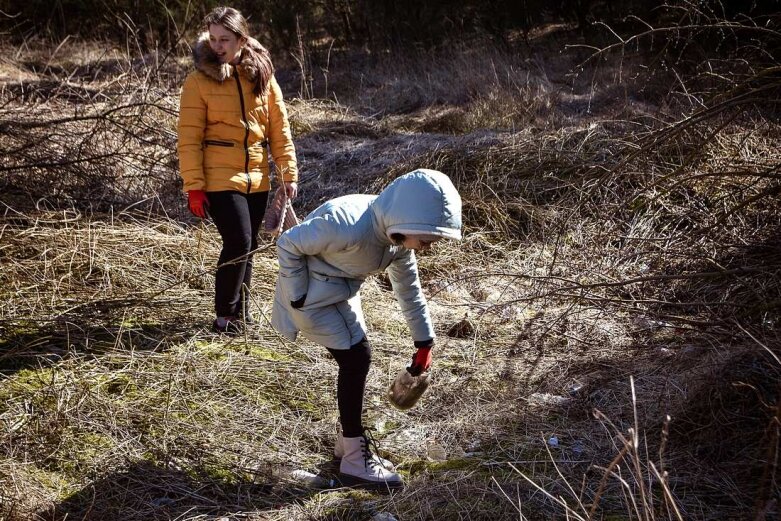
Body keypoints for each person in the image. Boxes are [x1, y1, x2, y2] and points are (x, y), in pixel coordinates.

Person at [271, 169, 462, 488]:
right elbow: (289, 243)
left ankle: (348, 446)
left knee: (357, 359)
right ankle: (355, 462)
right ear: (409, 223)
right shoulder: (346, 223)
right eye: (427, 240)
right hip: (311, 298)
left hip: (341, 293)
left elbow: (409, 288)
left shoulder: (398, 241)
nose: (427, 248)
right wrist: (299, 294)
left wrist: (424, 341)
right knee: (356, 359)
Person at [177, 6, 298, 334]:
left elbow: (279, 128)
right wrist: (195, 186)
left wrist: (288, 175)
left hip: (257, 177)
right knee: (239, 240)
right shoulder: (197, 81)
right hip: (218, 176)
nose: (217, 46)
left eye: (225, 39)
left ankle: (240, 318)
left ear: (242, 39)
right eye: (213, 39)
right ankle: (224, 317)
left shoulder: (262, 74)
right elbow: (188, 138)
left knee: (248, 246)